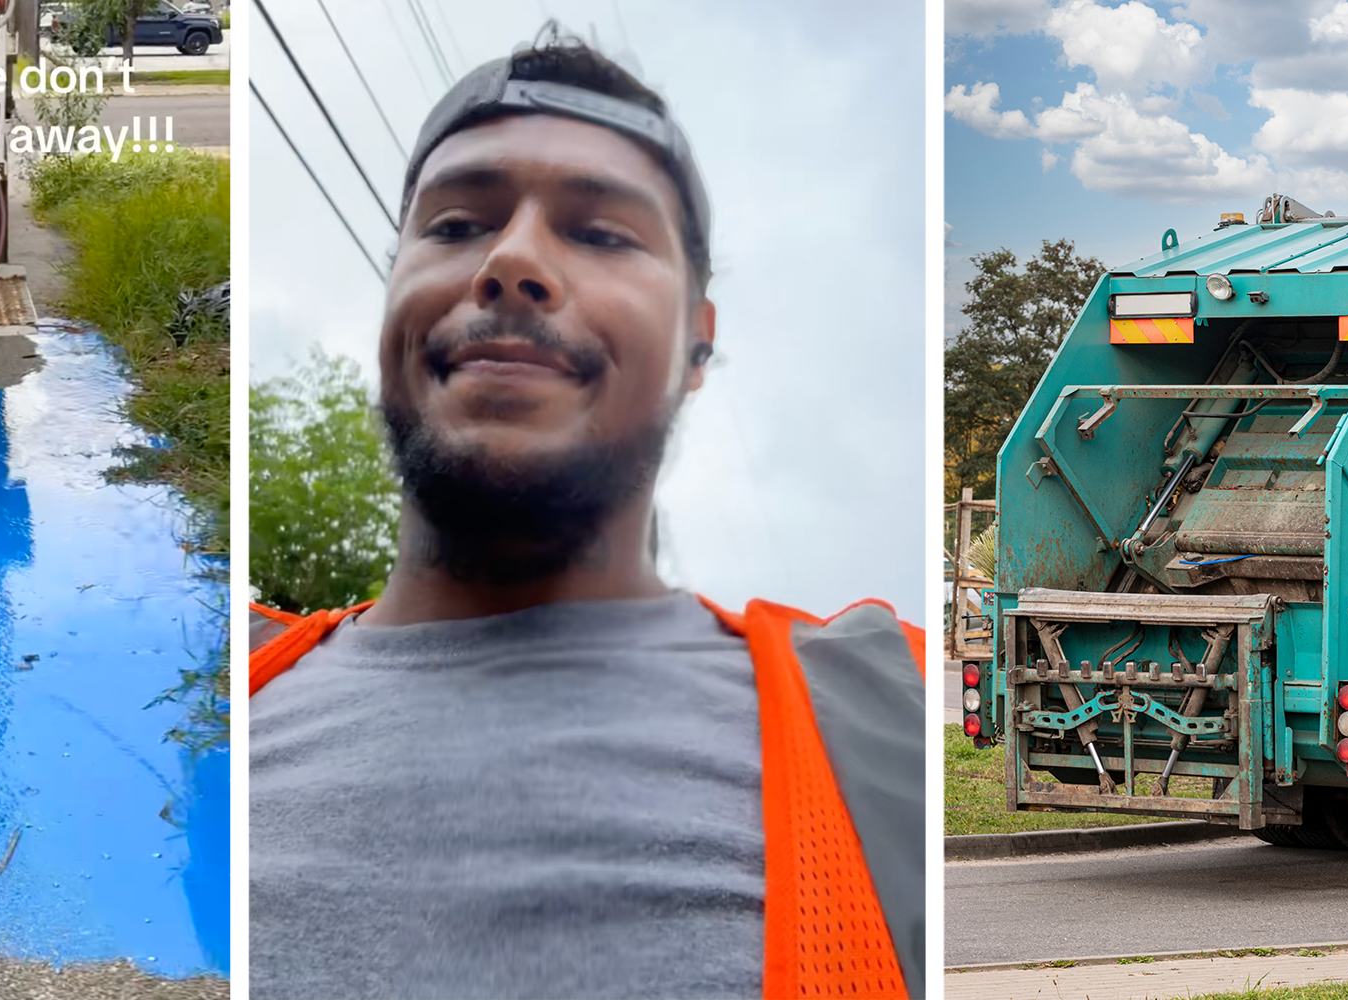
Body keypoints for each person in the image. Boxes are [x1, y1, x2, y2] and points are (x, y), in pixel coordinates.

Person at [248, 26, 927, 1000]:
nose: (513, 261)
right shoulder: (224, 693)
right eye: (452, 225)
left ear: (699, 346)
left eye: (602, 233)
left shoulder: (883, 717)